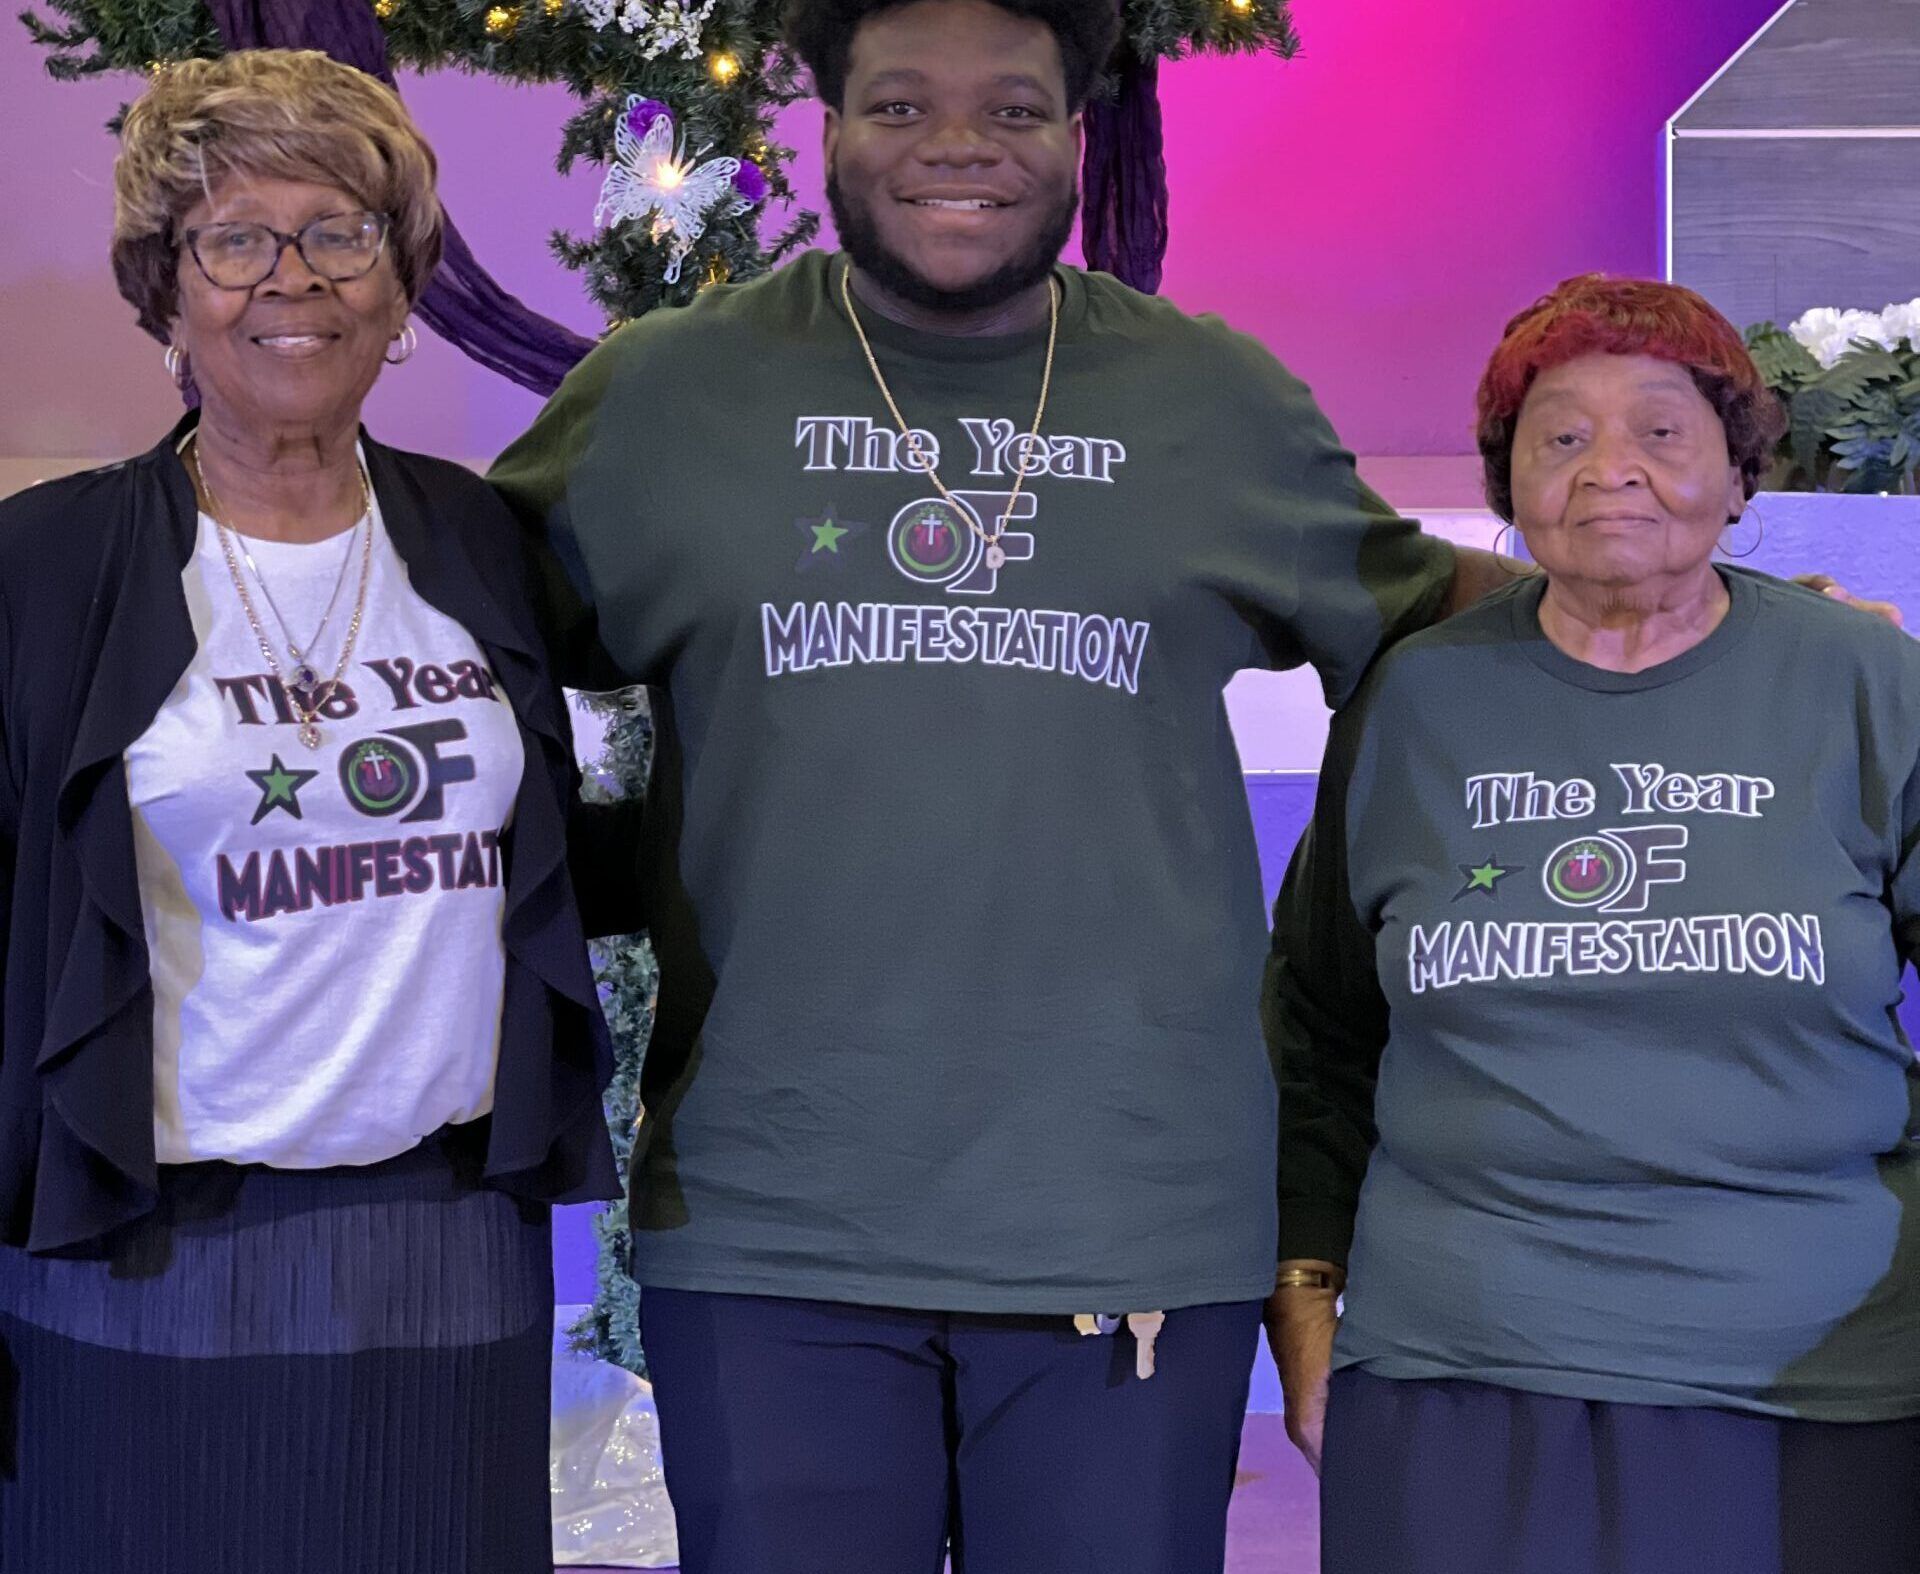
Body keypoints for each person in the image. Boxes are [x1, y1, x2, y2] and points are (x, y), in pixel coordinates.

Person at [486, 0, 1556, 1565]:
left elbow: (1425, 615)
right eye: (902, 107)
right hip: (775, 1214)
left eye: (1014, 108)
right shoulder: (663, 398)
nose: (960, 148)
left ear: (1076, 135)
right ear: (827, 128)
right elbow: (456, 624)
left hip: (1129, 1211)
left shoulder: (1211, 401)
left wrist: (1755, 621)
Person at [0, 50, 627, 1574]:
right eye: (234, 239)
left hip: (443, 1258)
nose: (295, 279)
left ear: (401, 284)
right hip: (135, 1262)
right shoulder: (43, 570)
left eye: (343, 233)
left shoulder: (484, 540)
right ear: (167, 290)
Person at [1263, 274, 1920, 1574]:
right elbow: (1320, 1028)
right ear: (1507, 490)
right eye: (1558, 436)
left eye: (1664, 432)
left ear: (1742, 476)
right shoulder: (1412, 699)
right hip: (1456, 1381)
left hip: (1814, 1390)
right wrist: (1304, 1293)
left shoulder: (1866, 682)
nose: (1610, 468)